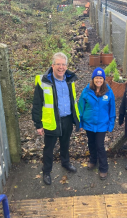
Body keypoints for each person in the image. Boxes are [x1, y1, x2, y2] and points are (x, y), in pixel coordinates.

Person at [32, 52, 80, 185]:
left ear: (66, 66)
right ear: (52, 65)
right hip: (51, 120)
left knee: (65, 144)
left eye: (63, 64)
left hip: (67, 119)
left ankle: (66, 163)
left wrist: (76, 118)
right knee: (49, 148)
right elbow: (37, 104)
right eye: (58, 64)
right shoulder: (44, 82)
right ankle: (46, 171)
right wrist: (38, 124)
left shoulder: (70, 80)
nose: (61, 67)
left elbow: (73, 100)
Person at [78, 67, 116, 180]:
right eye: (96, 78)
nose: (98, 80)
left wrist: (111, 124)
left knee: (99, 145)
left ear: (103, 79)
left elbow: (112, 109)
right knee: (91, 143)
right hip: (89, 123)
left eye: (100, 78)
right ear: (93, 79)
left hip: (102, 125)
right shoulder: (86, 91)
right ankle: (93, 160)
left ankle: (104, 168)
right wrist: (80, 123)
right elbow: (80, 108)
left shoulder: (109, 92)